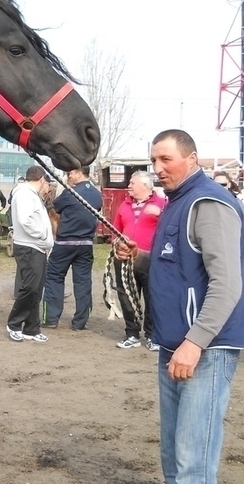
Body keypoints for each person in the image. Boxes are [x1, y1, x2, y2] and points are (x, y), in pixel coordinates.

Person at [116, 129, 243, 483]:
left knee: (193, 465)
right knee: (173, 457)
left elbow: (228, 283)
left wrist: (195, 342)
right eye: (153, 160)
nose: (157, 168)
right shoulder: (176, 202)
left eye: (166, 159)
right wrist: (139, 257)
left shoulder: (209, 203)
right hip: (174, 345)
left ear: (192, 159)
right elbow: (179, 267)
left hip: (205, 349)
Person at [42, 166, 103, 330]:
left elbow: (56, 208)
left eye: (70, 173)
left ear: (79, 173)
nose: (68, 176)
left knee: (54, 277)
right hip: (86, 244)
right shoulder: (97, 195)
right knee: (83, 282)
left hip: (65, 243)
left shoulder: (71, 192)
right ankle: (80, 322)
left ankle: (51, 318)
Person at [113, 170, 166, 351]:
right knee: (126, 295)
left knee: (152, 296)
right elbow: (116, 229)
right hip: (126, 259)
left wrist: (160, 214)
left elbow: (172, 228)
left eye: (132, 183)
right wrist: (118, 243)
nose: (128, 186)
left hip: (152, 258)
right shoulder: (124, 205)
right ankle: (132, 334)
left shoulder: (163, 203)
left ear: (145, 185)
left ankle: (152, 336)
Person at [6, 166, 54, 343]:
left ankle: (32, 328)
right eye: (46, 182)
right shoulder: (25, 194)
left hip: (38, 248)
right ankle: (14, 323)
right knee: (30, 288)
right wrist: (41, 234)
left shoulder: (32, 195)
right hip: (29, 247)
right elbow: (24, 220)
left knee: (36, 290)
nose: (47, 186)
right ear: (41, 179)